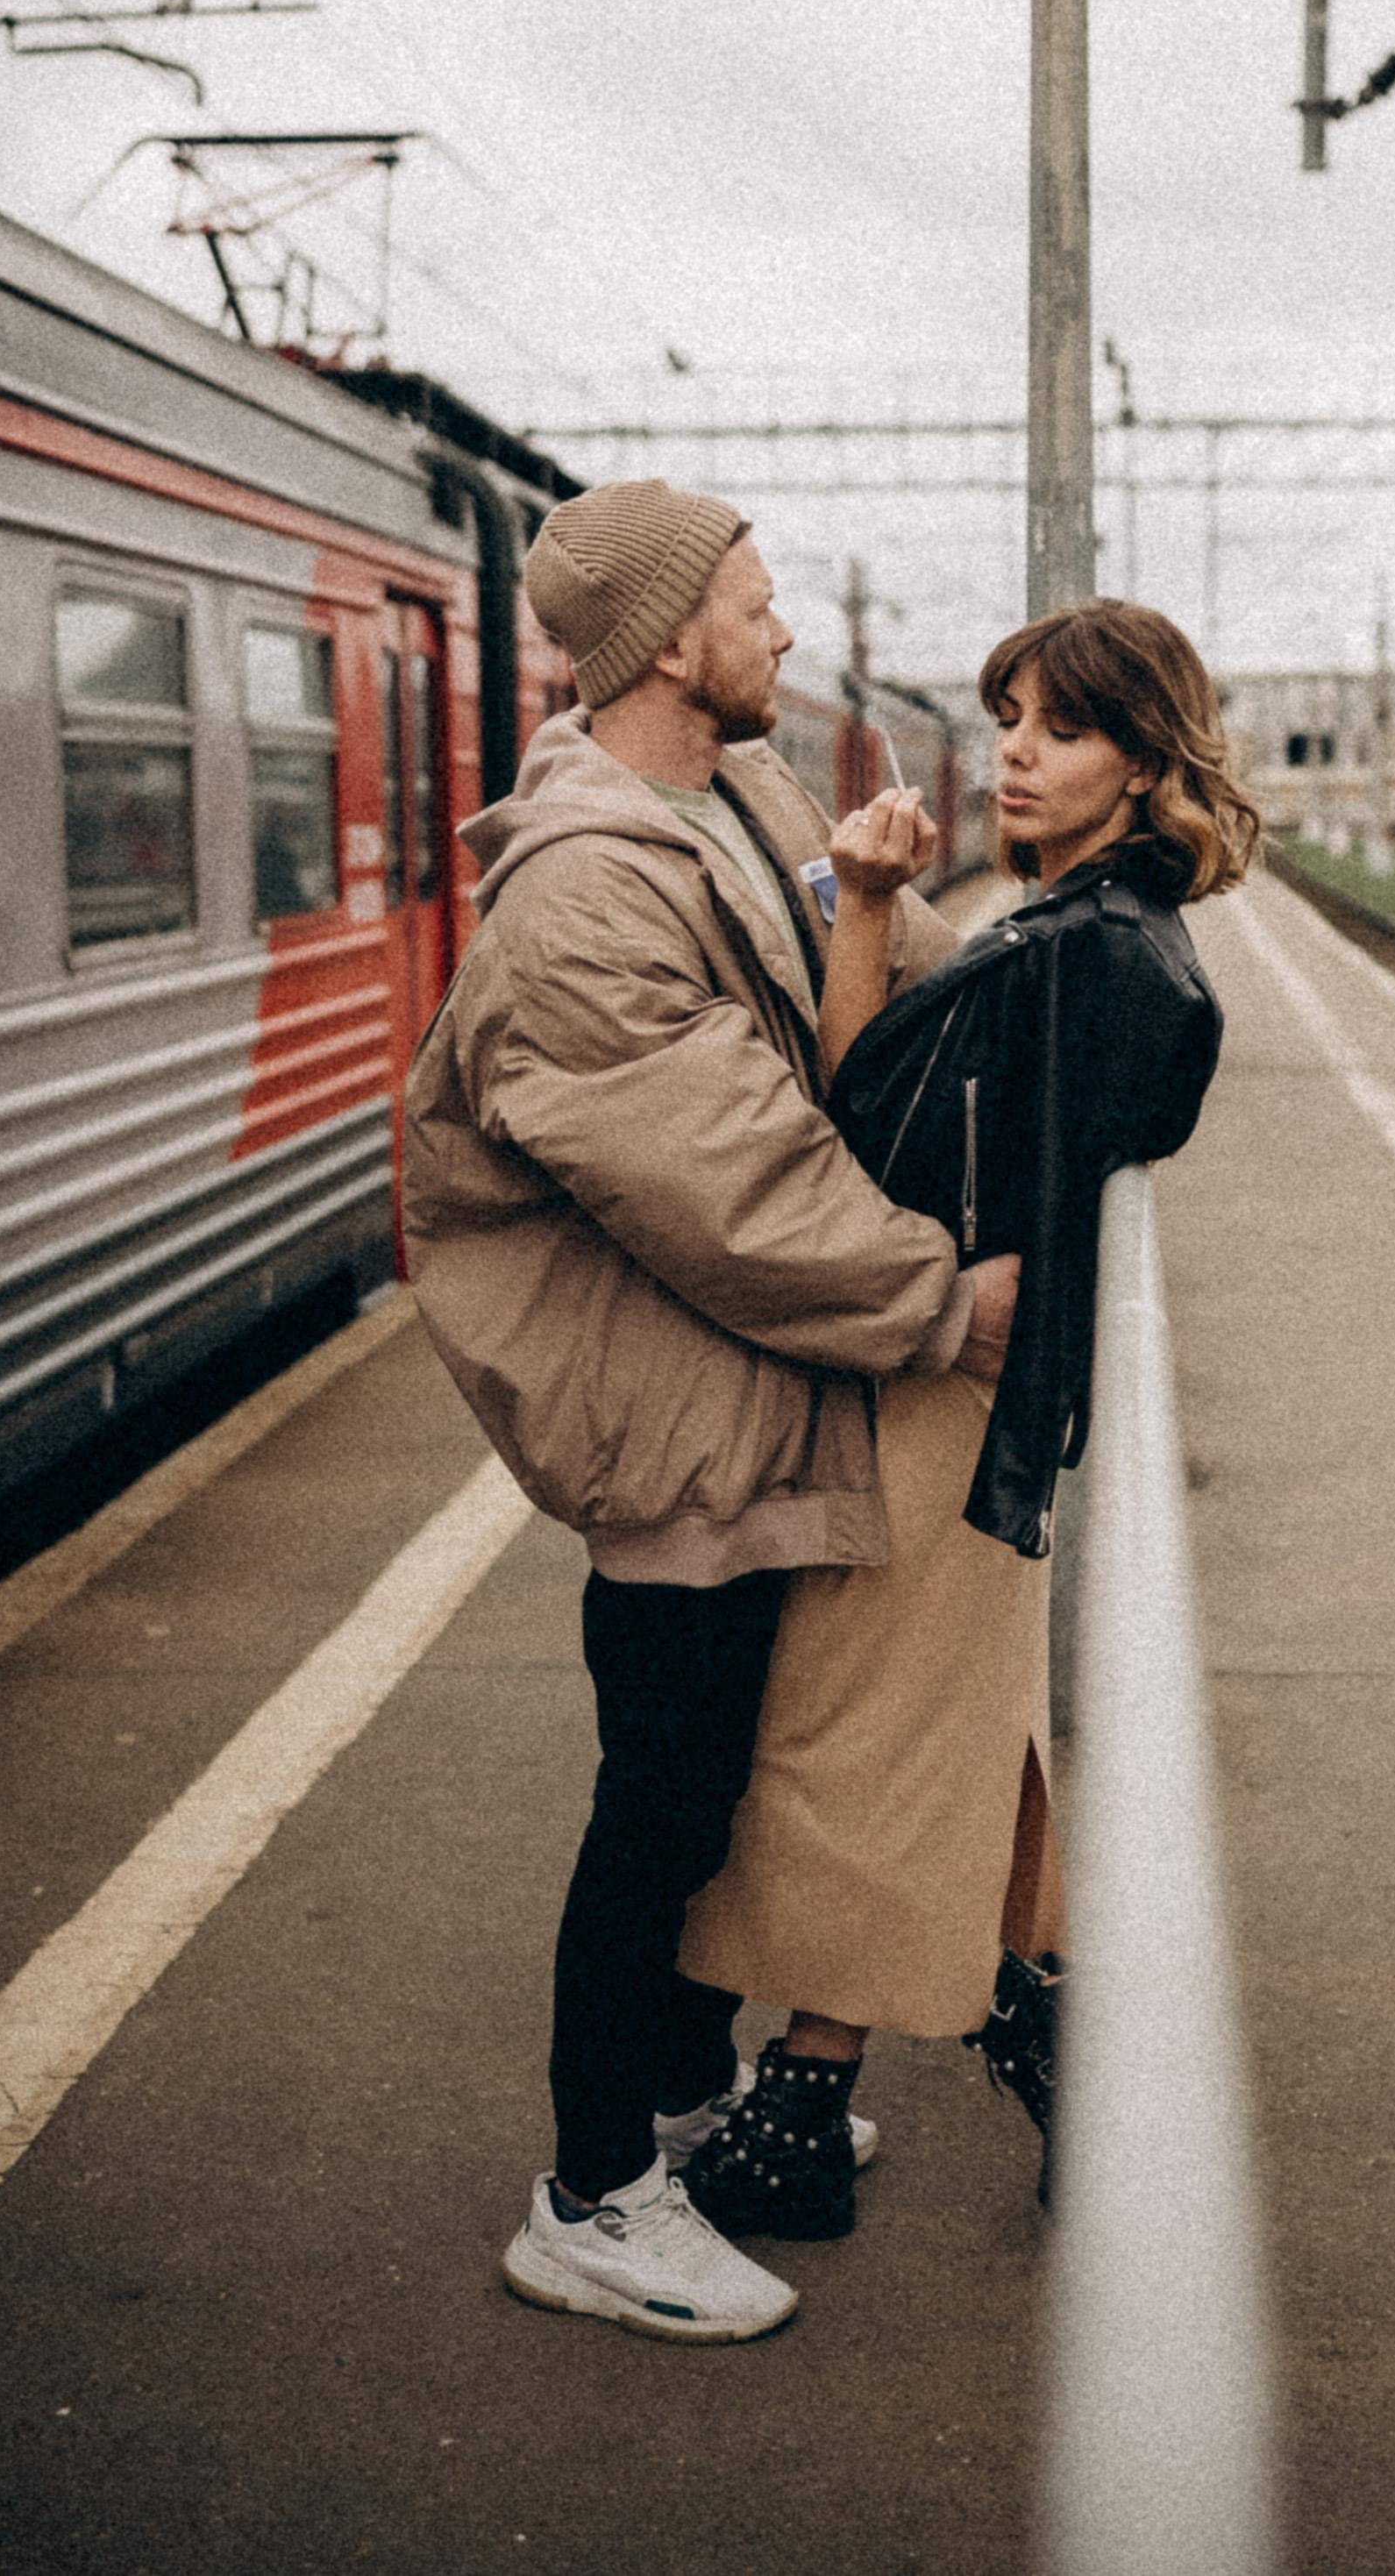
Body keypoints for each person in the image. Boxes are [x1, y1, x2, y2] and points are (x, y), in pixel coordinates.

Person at [400, 477, 1020, 2346]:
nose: (783, 633)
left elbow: (831, 1065)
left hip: (750, 1390)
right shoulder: (587, 889)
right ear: (671, 641)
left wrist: (884, 905)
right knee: (656, 1807)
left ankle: (674, 2104)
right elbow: (728, 1181)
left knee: (723, 1787)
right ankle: (591, 2196)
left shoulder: (741, 803)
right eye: (755, 603)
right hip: (669, 1415)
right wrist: (937, 1302)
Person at [677, 597, 1258, 2234]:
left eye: (1059, 728)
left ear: (1145, 768)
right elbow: (906, 1120)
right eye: (1007, 715)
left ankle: (800, 2106)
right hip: (967, 1401)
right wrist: (870, 897)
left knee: (855, 1737)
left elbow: (865, 1150)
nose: (1012, 749)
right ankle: (1071, 2054)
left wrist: (858, 908)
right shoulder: (1074, 930)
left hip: (948, 1411)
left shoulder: (1094, 960)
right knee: (957, 1733)